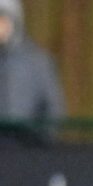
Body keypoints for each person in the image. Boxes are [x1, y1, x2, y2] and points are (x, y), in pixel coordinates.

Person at [0, 0, 65, 146]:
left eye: (2, 19)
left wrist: (40, 140)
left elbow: (54, 109)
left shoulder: (37, 62)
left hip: (29, 150)